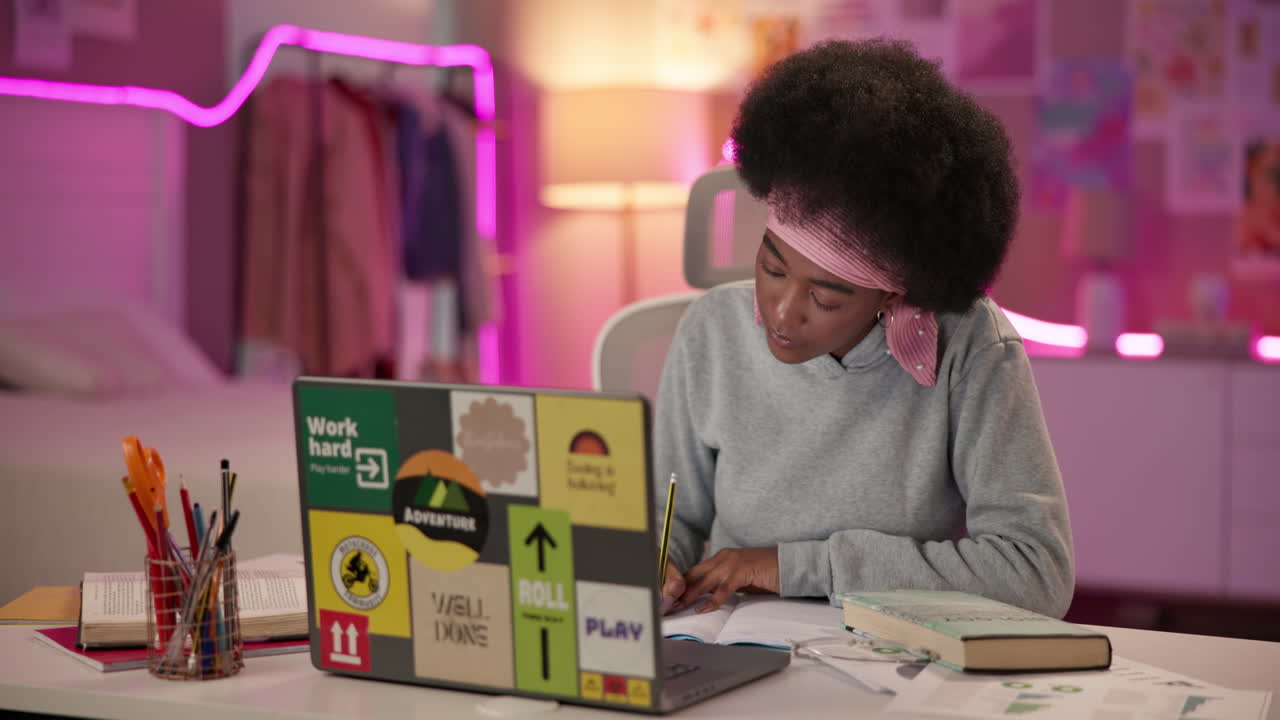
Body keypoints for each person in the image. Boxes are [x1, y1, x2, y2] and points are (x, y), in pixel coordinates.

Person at [655, 38, 1075, 619]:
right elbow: (669, 521)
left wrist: (795, 566)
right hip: (733, 637)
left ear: (893, 293)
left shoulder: (969, 346)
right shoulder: (711, 331)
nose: (782, 311)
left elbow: (1035, 572)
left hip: (895, 651)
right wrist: (657, 564)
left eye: (825, 296)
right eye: (772, 268)